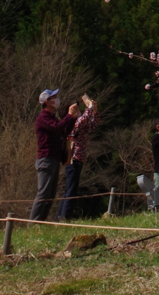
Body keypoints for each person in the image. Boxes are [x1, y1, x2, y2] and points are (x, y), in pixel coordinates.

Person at [29, 89, 76, 221]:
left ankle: (41, 222)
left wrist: (72, 119)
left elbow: (63, 130)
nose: (56, 99)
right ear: (46, 102)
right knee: (43, 193)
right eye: (53, 97)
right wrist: (68, 116)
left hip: (54, 158)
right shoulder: (42, 118)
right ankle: (33, 223)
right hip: (46, 159)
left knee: (50, 194)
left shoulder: (53, 118)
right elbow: (56, 127)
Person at [55, 93, 97, 221]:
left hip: (77, 160)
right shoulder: (71, 125)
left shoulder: (78, 125)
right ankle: (64, 218)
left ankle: (60, 217)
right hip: (73, 160)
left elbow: (92, 124)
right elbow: (84, 119)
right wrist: (89, 105)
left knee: (69, 189)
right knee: (71, 191)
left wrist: (95, 111)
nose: (78, 112)